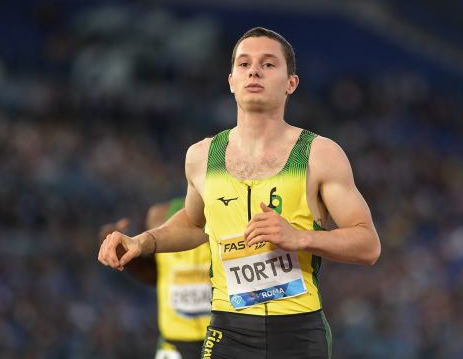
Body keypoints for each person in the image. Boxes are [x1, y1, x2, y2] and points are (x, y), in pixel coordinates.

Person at [99, 27, 381, 359]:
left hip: (298, 334)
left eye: (268, 64)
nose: (254, 71)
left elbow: (368, 245)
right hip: (227, 332)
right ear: (231, 80)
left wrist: (300, 237)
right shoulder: (202, 156)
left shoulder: (320, 155)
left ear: (291, 83)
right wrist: (141, 242)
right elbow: (193, 224)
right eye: (244, 64)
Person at [99, 198, 211, 359]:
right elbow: (152, 273)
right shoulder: (159, 216)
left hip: (225, 335)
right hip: (176, 342)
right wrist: (124, 255)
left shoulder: (234, 208)